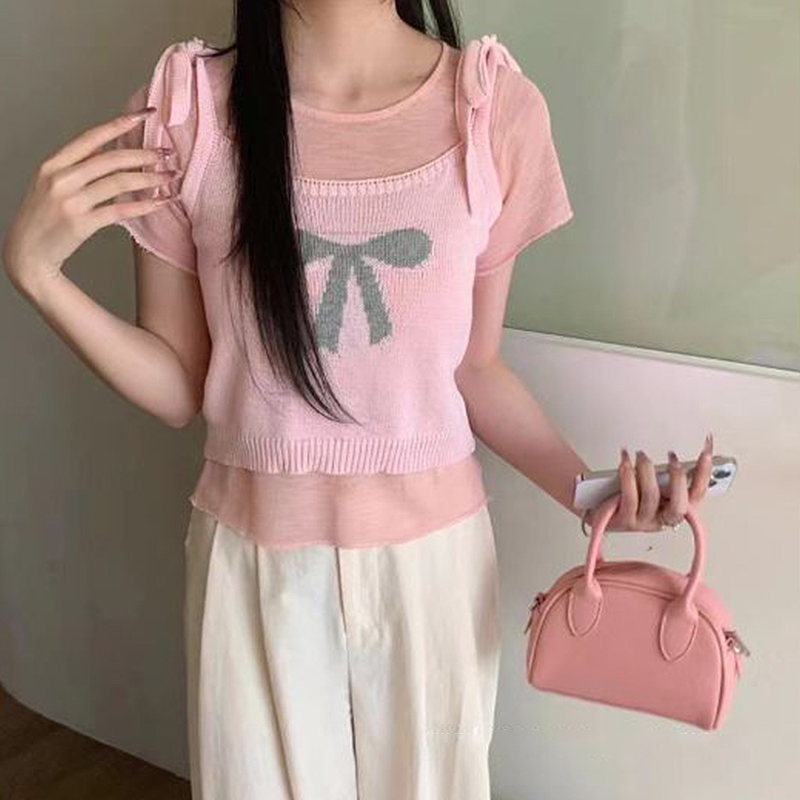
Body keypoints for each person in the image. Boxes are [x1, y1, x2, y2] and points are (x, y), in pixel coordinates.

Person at [1, 1, 714, 798]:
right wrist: (38, 275)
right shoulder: (187, 109)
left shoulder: (490, 108)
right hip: (254, 567)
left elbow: (475, 369)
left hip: (433, 570)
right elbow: (179, 384)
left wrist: (593, 495)